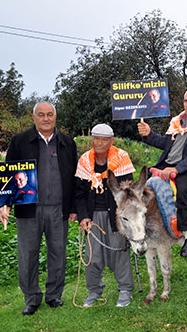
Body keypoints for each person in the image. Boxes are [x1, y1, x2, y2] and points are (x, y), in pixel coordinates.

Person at [0, 101, 78, 315]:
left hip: (59, 209)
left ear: (55, 116)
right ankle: (31, 298)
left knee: (58, 254)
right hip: (28, 209)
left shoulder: (67, 143)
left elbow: (75, 178)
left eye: (49, 114)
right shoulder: (19, 141)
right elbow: (8, 177)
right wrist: (5, 203)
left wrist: (74, 208)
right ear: (33, 118)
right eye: (41, 115)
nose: (45, 118)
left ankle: (54, 296)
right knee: (28, 255)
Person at [137, 87, 187, 257]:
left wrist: (177, 169)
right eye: (186, 101)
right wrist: (149, 134)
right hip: (168, 165)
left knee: (182, 187)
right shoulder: (177, 122)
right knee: (145, 187)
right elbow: (165, 143)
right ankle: (144, 229)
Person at [75, 123, 136, 307]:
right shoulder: (84, 161)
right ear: (91, 139)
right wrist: (83, 216)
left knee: (119, 251)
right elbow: (79, 193)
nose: (99, 142)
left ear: (111, 141)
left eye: (104, 139)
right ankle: (94, 290)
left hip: (116, 215)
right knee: (92, 255)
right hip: (94, 215)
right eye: (96, 138)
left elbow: (129, 192)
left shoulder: (122, 158)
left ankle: (125, 289)